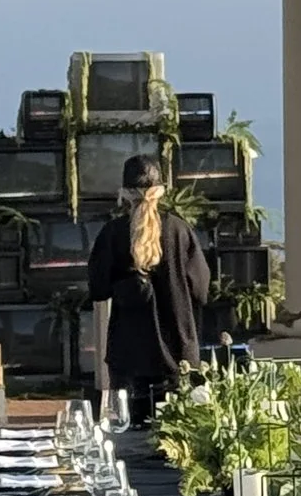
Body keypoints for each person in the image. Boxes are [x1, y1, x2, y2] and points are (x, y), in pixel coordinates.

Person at [85, 155, 210, 430]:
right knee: (177, 438)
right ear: (161, 190)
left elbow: (97, 289)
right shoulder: (180, 230)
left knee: (130, 438)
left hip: (128, 357)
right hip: (178, 356)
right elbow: (201, 290)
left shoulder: (112, 233)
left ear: (124, 193)